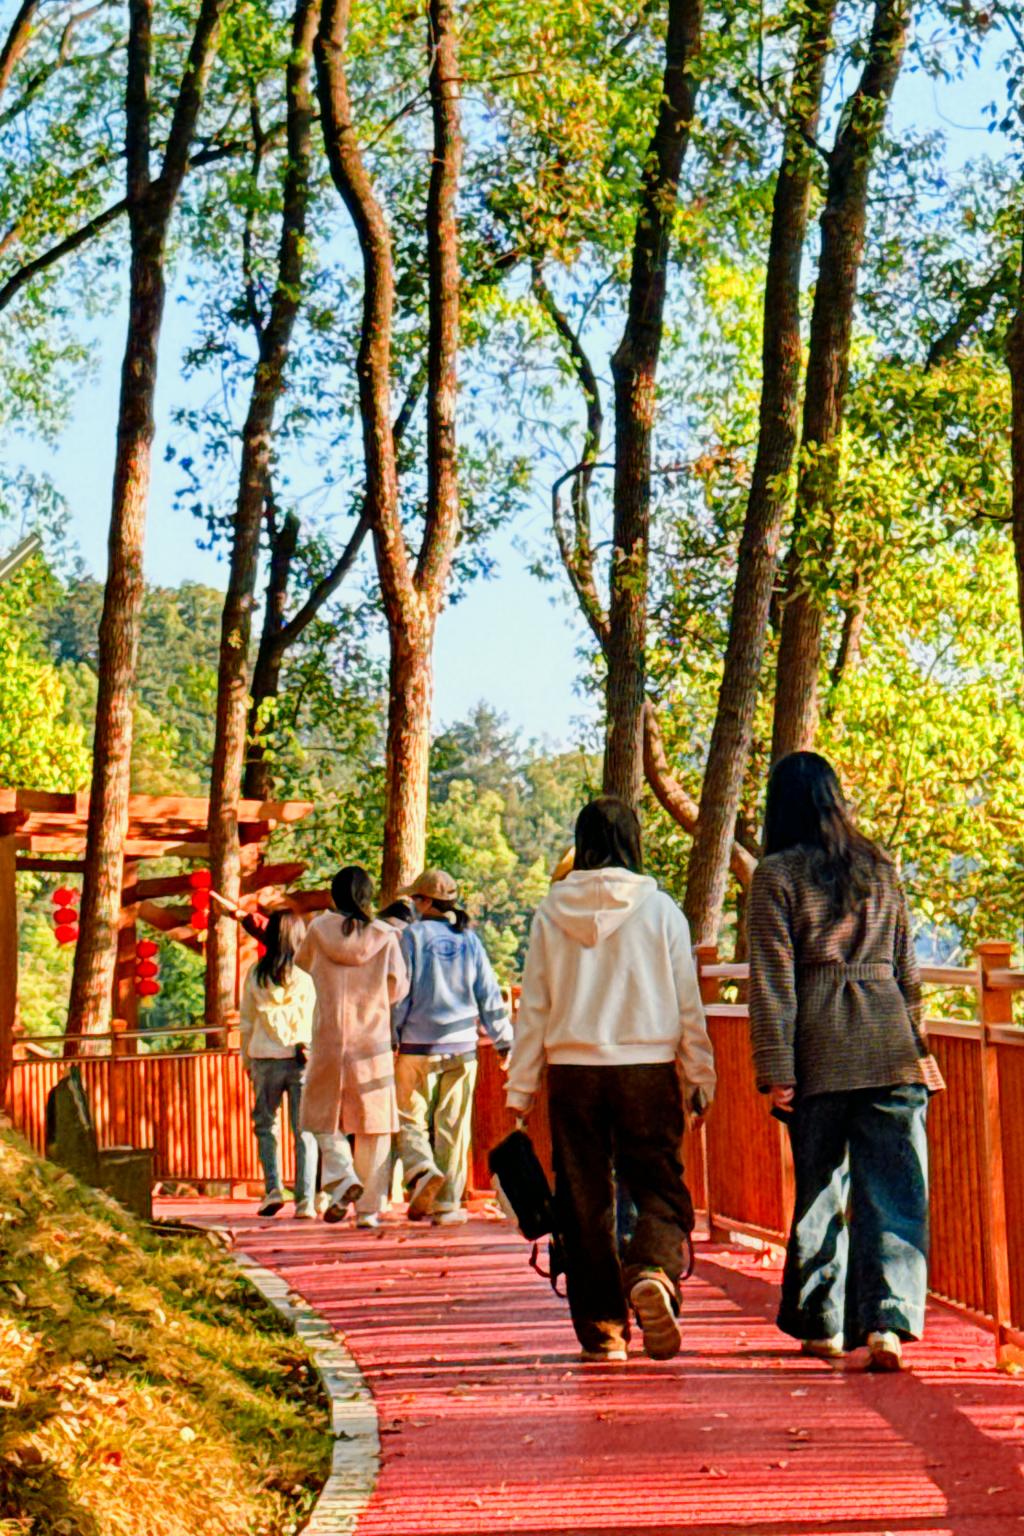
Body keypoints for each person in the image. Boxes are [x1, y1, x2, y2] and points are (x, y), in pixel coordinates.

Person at [505, 797, 715, 1363]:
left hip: (573, 1074)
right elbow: (687, 1003)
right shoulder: (661, 910)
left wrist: (520, 1089)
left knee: (583, 1201)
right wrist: (700, 1073)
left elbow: (535, 1008)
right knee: (660, 1187)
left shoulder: (551, 913)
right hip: (647, 1069)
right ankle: (651, 1270)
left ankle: (603, 1333)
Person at [747, 751, 930, 1373]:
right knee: (895, 1189)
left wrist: (776, 1068)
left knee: (820, 1188)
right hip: (890, 1047)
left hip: (820, 1050)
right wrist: (919, 1046)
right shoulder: (879, 866)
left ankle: (823, 1323)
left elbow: (773, 983)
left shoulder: (775, 875)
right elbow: (908, 971)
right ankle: (887, 1324)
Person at [393, 868, 513, 1225]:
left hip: (417, 1045)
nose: (412, 904)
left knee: (407, 1116)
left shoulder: (411, 937)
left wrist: (392, 1036)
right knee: (453, 1126)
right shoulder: (469, 940)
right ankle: (447, 1204)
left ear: (425, 901)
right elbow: (488, 994)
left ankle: (421, 1167)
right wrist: (504, 1041)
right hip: (462, 1046)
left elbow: (400, 993)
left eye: (415, 898)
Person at [297, 866, 409, 1227]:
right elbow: (398, 987)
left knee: (320, 1115)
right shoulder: (385, 936)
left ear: (335, 894)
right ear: (367, 896)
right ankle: (369, 1210)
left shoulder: (318, 929)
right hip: (371, 1038)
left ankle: (343, 1176)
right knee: (374, 1123)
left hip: (329, 1035)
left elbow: (303, 963)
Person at [238, 910, 318, 1219]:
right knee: (305, 1131)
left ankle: (273, 1188)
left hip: (264, 1058)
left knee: (266, 1126)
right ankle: (306, 1201)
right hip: (300, 1059)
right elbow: (314, 1021)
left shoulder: (255, 975)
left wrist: (246, 1059)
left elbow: (247, 1022)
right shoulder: (305, 979)